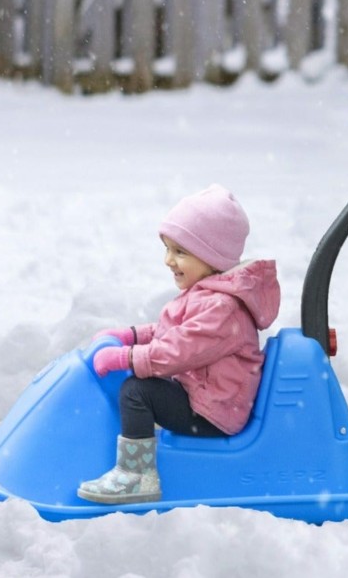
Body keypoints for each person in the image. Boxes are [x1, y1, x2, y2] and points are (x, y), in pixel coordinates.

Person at [77, 184, 281, 504]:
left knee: (138, 391)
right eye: (167, 248)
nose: (168, 261)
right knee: (142, 385)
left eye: (180, 252)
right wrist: (131, 336)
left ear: (212, 256)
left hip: (213, 413)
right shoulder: (210, 295)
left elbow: (178, 350)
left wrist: (126, 358)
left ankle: (136, 475)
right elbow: (171, 331)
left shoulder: (223, 309)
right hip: (205, 397)